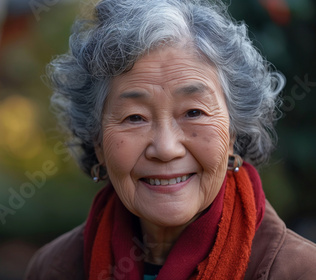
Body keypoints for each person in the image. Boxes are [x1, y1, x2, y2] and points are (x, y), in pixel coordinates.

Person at [25, 0, 316, 279]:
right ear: (97, 142)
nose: (165, 148)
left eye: (193, 112)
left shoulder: (299, 272)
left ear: (233, 133)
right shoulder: (54, 269)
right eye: (135, 117)